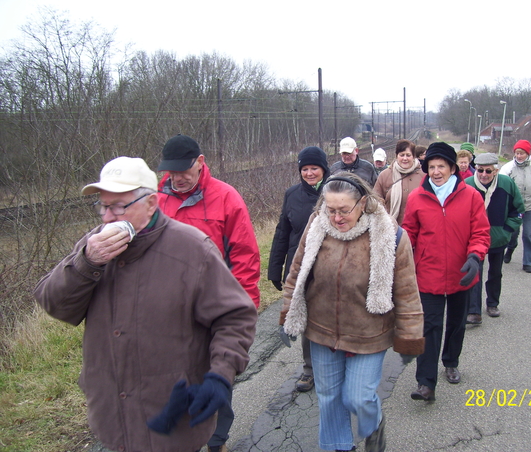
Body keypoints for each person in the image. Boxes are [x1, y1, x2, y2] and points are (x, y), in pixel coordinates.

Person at [33, 156, 257, 452]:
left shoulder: (191, 248)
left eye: (118, 206)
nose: (107, 217)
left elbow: (235, 316)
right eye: (102, 205)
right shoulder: (94, 246)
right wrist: (87, 263)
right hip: (113, 412)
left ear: (151, 203)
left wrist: (220, 375)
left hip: (172, 415)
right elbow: (54, 304)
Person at [280, 172, 424, 452]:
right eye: (330, 209)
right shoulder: (317, 225)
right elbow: (297, 272)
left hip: (368, 333)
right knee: (329, 397)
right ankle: (339, 447)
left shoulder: (390, 234)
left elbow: (407, 291)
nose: (336, 217)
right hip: (322, 331)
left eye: (344, 210)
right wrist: (287, 313)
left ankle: (374, 423)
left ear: (363, 204)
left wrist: (410, 337)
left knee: (358, 397)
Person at [156, 134, 260, 452]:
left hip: (214, 307)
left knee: (217, 372)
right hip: (168, 309)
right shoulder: (155, 200)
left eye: (183, 171)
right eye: (171, 172)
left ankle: (216, 439)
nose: (177, 178)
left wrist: (244, 311)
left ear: (200, 163)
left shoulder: (227, 199)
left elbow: (244, 257)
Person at [402, 142, 489, 401]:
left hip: (463, 272)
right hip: (428, 274)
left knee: (456, 323)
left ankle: (451, 361)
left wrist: (475, 256)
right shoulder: (417, 197)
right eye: (431, 167)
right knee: (429, 326)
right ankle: (425, 382)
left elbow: (480, 232)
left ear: (453, 168)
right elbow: (409, 233)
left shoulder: (471, 196)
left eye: (441, 166)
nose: (436, 171)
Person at [269, 146, 330, 392]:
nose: (309, 173)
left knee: (331, 316)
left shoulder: (336, 191)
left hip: (329, 265)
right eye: (304, 169)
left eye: (314, 168)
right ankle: (309, 370)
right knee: (305, 319)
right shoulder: (291, 194)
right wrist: (275, 267)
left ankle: (336, 364)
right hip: (300, 265)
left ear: (323, 169)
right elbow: (282, 231)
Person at [464, 153, 525, 324]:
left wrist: (507, 229)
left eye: (488, 171)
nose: (483, 174)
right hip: (475, 239)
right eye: (480, 170)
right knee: (475, 271)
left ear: (496, 171)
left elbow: (518, 209)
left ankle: (492, 303)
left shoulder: (507, 184)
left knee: (495, 272)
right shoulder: (467, 185)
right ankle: (474, 310)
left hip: (498, 238)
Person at [499, 139, 531, 273]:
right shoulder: (508, 168)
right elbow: (500, 187)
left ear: (527, 153)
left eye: (522, 153)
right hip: (514, 208)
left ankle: (527, 262)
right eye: (517, 153)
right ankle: (510, 248)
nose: (519, 156)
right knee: (512, 233)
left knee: (528, 234)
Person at [374, 139, 425, 225]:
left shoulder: (423, 176)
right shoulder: (385, 175)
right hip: (391, 228)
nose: (405, 158)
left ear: (413, 156)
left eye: (408, 155)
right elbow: (375, 201)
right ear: (397, 156)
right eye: (402, 155)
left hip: (417, 228)